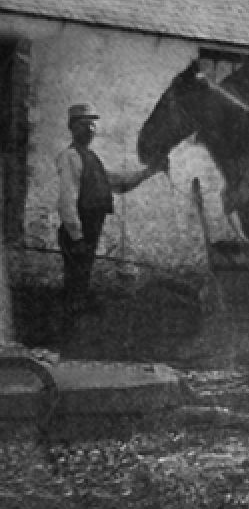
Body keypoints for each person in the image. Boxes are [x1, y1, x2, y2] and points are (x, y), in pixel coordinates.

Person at [56, 103, 166, 335]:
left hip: (91, 227)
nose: (90, 129)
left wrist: (150, 171)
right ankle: (68, 332)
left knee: (82, 277)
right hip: (79, 229)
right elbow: (67, 199)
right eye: (83, 124)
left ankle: (75, 329)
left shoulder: (92, 158)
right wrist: (76, 236)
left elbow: (119, 184)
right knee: (76, 279)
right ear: (72, 128)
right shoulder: (70, 157)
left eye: (92, 124)